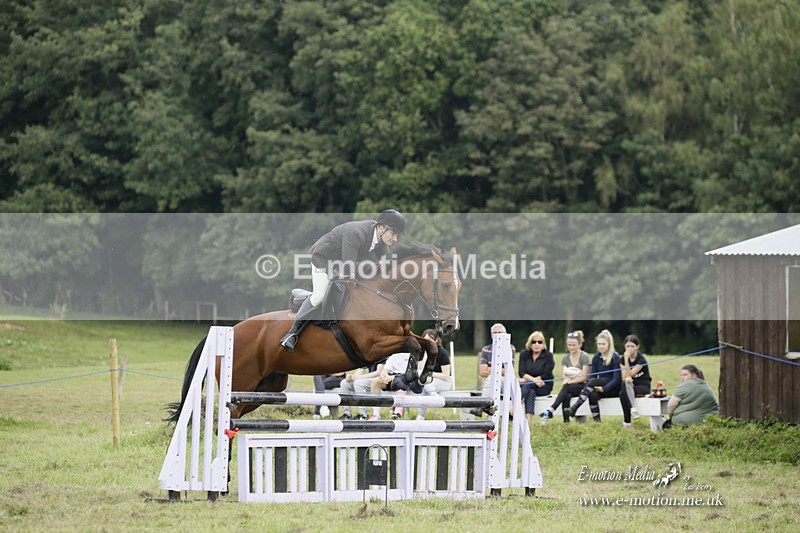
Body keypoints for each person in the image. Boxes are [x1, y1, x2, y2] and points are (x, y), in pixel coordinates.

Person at [280, 209, 406, 352]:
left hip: (341, 262)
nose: (395, 239)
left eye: (397, 235)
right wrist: (377, 266)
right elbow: (348, 268)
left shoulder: (380, 239)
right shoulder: (356, 233)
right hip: (323, 259)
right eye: (393, 233)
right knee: (320, 295)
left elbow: (389, 263)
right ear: (381, 228)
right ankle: (292, 334)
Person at [566, 329, 621, 422]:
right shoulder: (596, 357)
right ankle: (597, 421)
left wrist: (604, 389)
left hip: (613, 387)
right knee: (592, 395)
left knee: (594, 382)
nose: (601, 346)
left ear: (609, 344)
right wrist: (595, 387)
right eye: (599, 344)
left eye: (603, 344)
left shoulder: (615, 357)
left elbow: (616, 379)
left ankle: (575, 407)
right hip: (600, 385)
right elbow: (592, 376)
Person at [540, 330, 591, 424]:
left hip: (582, 387)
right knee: (566, 394)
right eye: (569, 345)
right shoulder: (565, 358)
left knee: (566, 387)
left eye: (574, 345)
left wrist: (570, 381)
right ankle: (566, 422)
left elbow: (584, 377)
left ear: (579, 344)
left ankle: (551, 410)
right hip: (570, 387)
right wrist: (566, 379)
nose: (571, 347)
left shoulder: (584, 357)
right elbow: (564, 375)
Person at [369, 352, 427, 420]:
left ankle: (417, 415)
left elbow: (414, 373)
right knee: (376, 382)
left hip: (411, 381)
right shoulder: (394, 355)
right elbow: (384, 371)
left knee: (402, 382)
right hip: (395, 381)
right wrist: (385, 377)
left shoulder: (414, 355)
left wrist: (393, 377)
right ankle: (376, 414)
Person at [518, 331, 555, 421]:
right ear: (530, 343)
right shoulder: (524, 354)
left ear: (543, 344)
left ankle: (516, 407)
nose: (536, 344)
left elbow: (547, 374)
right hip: (532, 384)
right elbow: (521, 372)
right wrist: (534, 380)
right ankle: (528, 421)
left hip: (544, 385)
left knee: (527, 385)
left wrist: (529, 380)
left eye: (540, 342)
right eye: (534, 342)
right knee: (530, 391)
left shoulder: (548, 355)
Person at [417, 329, 452, 420]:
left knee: (425, 381)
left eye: (430, 340)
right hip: (429, 382)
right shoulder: (421, 352)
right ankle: (433, 395)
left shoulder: (442, 353)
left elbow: (445, 376)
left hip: (443, 382)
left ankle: (420, 416)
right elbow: (420, 369)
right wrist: (426, 355)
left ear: (436, 341)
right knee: (424, 380)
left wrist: (430, 374)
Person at [618, 334, 652, 427]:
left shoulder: (641, 360)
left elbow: (630, 374)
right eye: (627, 346)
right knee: (624, 387)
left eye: (632, 346)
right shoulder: (622, 359)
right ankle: (632, 410)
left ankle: (627, 422)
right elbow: (624, 377)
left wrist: (626, 360)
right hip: (629, 386)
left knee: (623, 394)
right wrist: (625, 359)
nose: (629, 349)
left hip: (642, 386)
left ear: (637, 346)